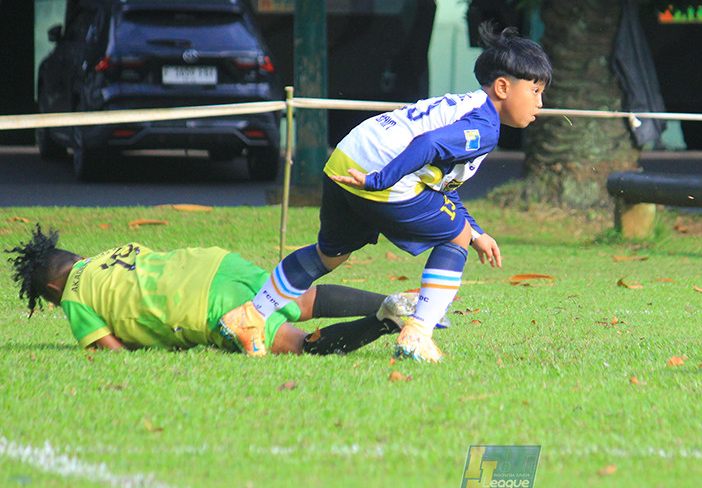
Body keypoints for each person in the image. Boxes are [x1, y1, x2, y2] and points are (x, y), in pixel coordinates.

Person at [219, 23, 553, 363]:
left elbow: (440, 184)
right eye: (535, 90)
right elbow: (428, 144)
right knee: (456, 237)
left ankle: (250, 317)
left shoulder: (464, 105)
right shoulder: (484, 127)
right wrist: (379, 181)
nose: (540, 103)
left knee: (330, 254)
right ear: (503, 87)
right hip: (377, 176)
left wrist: (477, 232)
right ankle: (418, 334)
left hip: (346, 159)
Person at [5, 225, 424, 356]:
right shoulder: (111, 253)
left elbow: (110, 351)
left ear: (53, 287)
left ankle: (385, 321)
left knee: (297, 343)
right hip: (216, 264)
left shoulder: (74, 296)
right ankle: (412, 307)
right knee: (300, 300)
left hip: (203, 304)